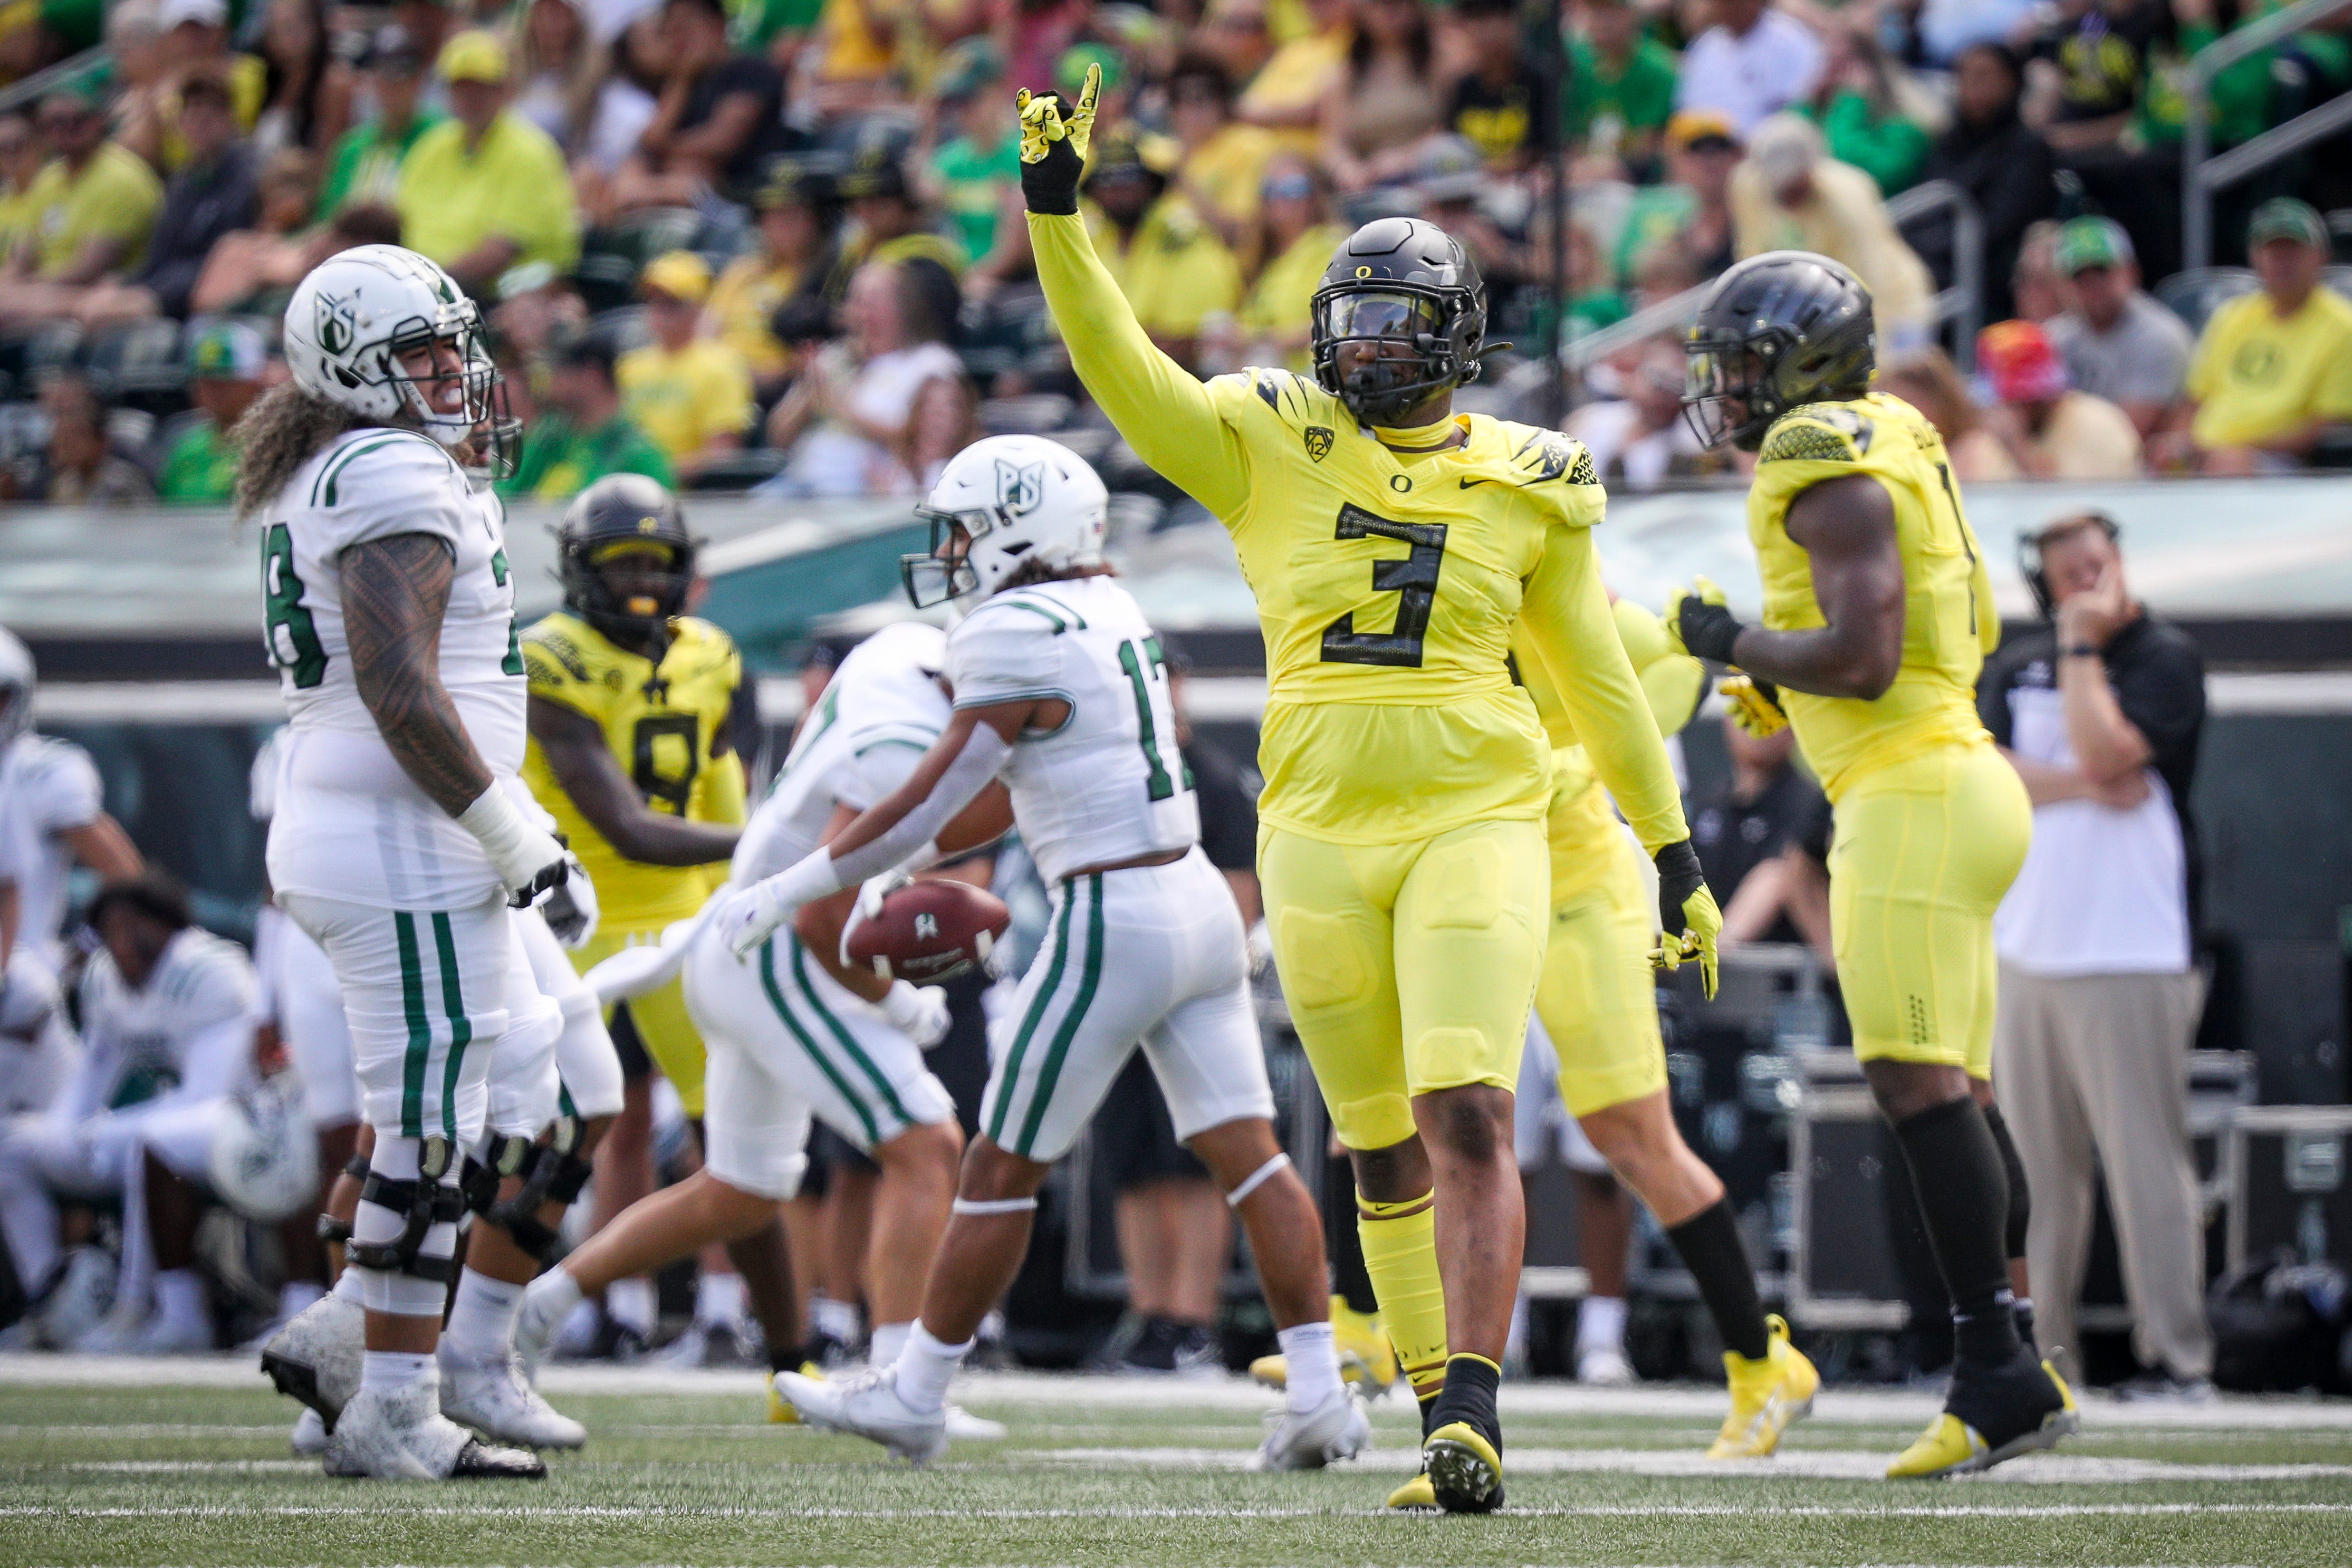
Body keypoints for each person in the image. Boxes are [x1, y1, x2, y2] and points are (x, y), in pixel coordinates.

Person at [1005, 76, 1716, 1512]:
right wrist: (1055, 214)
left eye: (1395, 320)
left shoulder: (1533, 477)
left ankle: (1472, 1411)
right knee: (1373, 1137)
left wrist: (1672, 852)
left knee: (1469, 1109)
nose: (1366, 344)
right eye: (1353, 318)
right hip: (1317, 828)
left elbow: (1598, 684)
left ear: (1451, 335)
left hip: (1476, 813)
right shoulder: (1269, 432)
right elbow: (1118, 363)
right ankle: (1422, 1399)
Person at [735, 434, 1364, 1475]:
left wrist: (794, 883)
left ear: (1021, 528)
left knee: (996, 1163)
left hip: (1109, 911)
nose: (951, 550)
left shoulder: (1013, 628)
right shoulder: (1109, 603)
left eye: (967, 528)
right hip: (1195, 899)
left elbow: (933, 792)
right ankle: (1317, 1394)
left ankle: (917, 1390)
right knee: (1250, 1156)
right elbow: (986, 798)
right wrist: (898, 868)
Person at [1674, 249, 2075, 1479]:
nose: (1730, 391)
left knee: (1916, 1085)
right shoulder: (1898, 426)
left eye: (1746, 366)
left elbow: (1859, 657)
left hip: (1910, 793)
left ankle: (1993, 1370)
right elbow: (1955, 624)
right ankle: (2019, 1351)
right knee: (1960, 1088)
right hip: (1960, 774)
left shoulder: (1817, 455)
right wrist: (1770, 673)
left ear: (1802, 363)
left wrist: (1726, 638)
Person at [231, 241, 581, 1480]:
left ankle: (344, 1344)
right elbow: (396, 683)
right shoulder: (382, 469)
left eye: (453, 341)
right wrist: (516, 835)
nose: (456, 368)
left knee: (478, 1095)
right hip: (401, 832)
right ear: (350, 369)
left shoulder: (357, 460)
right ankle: (389, 1393)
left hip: (381, 825)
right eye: (421, 352)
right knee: (434, 1121)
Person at [521, 620, 1001, 1431]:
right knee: (927, 1143)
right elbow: (823, 919)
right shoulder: (904, 737)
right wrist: (897, 1003)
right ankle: (895, 1379)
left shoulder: (902, 650)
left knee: (742, 1192)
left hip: (737, 934)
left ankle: (538, 1304)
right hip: (772, 951)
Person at [1489, 599, 1820, 1459]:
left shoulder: (1602, 620)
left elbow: (1678, 667)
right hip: (1469, 892)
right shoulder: (1437, 578)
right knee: (1415, 1112)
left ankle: (1753, 1356)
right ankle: (1366, 1336)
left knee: (1629, 1141)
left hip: (1578, 889)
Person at [513, 476, 788, 1371]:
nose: (639, 580)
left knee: (736, 1137)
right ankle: (566, 1312)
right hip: (573, 922)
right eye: (620, 562)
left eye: (654, 561)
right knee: (568, 1128)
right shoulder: (547, 656)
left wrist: (745, 888)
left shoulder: (712, 652)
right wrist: (782, 851)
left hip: (684, 923)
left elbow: (721, 794)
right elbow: (628, 823)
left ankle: (763, 1335)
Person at [1982, 512, 2214, 1400]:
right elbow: (1997, 770)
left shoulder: (2161, 656)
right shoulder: (2010, 665)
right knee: (2035, 1176)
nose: (2084, 582)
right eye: (2066, 572)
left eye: (2096, 564)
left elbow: (2112, 745)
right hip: (2027, 944)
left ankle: (2176, 1355)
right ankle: (2042, 1358)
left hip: (2131, 946)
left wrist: (2081, 651)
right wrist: (2085, 787)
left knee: (2144, 1159)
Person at [0, 873, 256, 1354]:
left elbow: (207, 1094)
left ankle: (135, 1307)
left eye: (133, 926)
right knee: (9, 1146)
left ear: (167, 924)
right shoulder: (103, 977)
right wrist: (66, 1132)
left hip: (229, 1127)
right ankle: (53, 1298)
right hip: (134, 1133)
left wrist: (108, 1131)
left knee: (151, 1141)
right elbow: (92, 1072)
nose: (123, 943)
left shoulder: (212, 971)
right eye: (111, 930)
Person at [0, 628, 141, 1164]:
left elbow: (124, 875)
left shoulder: (38, 771)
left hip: (23, 985)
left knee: (60, 1140)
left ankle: (75, 1245)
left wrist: (81, 948)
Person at [2152, 198, 2352, 474]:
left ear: (2320, 256)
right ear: (2255, 257)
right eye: (2272, 251)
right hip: (2209, 454)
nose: (2282, 262)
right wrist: (2178, 443)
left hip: (2290, 464)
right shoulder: (2231, 315)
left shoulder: (2344, 326)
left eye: (2292, 250)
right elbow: (2193, 400)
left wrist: (2242, 448)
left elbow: (2328, 426)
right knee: (2152, 460)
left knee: (2231, 466)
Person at [761, 257, 973, 497]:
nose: (864, 313)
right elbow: (779, 438)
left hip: (862, 495)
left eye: (874, 302)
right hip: (799, 482)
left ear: (905, 307)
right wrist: (809, 388)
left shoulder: (930, 362)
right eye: (857, 302)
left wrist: (840, 406)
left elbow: (926, 437)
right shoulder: (836, 358)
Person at [394, 30, 580, 294]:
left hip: (499, 295)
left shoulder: (530, 152)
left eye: (481, 87)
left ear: (504, 90)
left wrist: (427, 286)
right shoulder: (431, 146)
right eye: (461, 87)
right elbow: (397, 220)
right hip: (424, 289)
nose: (471, 98)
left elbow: (499, 253)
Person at [1731, 114, 1935, 354]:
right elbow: (1752, 259)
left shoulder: (1848, 199)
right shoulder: (1745, 186)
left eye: (1793, 187)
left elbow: (1869, 281)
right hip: (1817, 316)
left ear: (1812, 170)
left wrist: (1873, 357)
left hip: (1895, 307)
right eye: (1778, 189)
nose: (1786, 199)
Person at [71, 69, 256, 328]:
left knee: (100, 315)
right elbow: (159, 255)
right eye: (192, 114)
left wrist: (149, 294)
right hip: (163, 284)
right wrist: (125, 282)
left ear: (229, 119)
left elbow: (227, 251)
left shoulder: (247, 176)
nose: (200, 123)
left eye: (209, 115)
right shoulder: (181, 182)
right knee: (89, 304)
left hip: (202, 290)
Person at [1913, 43, 2052, 325]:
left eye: (1984, 76)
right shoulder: (1948, 143)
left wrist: (1931, 250)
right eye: (1963, 77)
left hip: (1989, 273)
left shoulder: (2028, 149)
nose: (1971, 86)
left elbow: (1998, 224)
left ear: (2012, 82)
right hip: (1935, 259)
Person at [1080, 126, 1240, 371]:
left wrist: (1101, 347)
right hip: (1102, 370)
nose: (1119, 191)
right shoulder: (1091, 237)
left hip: (1173, 377)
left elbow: (1187, 341)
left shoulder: (1181, 235)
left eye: (1130, 178)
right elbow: (1063, 331)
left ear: (1151, 185)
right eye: (1107, 180)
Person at [0, 90, 162, 326]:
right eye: (52, 124)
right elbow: (24, 256)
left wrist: (29, 289)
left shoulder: (119, 178)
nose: (62, 130)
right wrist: (10, 285)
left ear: (97, 121)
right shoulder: (48, 179)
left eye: (74, 121)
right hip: (45, 291)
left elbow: (91, 267)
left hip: (100, 291)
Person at [608, 0, 789, 210]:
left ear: (717, 25)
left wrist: (663, 150)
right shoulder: (685, 81)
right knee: (631, 167)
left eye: (687, 27)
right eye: (672, 31)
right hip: (676, 184)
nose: (680, 40)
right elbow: (649, 140)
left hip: (742, 187)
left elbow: (721, 142)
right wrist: (681, 80)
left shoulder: (750, 69)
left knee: (689, 169)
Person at [2043, 217, 2191, 440]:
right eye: (2079, 277)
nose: (2092, 286)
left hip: (2140, 469)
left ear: (2131, 271)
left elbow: (2126, 433)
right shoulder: (2052, 338)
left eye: (2101, 273)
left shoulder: (2160, 336)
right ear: (2060, 285)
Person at [1691, 708, 1827, 949]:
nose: (1759, 725)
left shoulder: (1812, 804)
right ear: (1727, 719)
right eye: (1745, 711)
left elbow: (1781, 875)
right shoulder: (1706, 804)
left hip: (1784, 973)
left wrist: (1720, 945)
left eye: (1775, 712)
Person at [617, 251, 754, 484]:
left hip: (687, 495)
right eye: (654, 300)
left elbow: (722, 454)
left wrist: (654, 473)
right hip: (627, 484)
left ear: (698, 308)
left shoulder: (721, 366)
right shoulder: (628, 367)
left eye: (672, 302)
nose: (659, 311)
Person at [705, 162, 839, 398]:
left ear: (817, 218)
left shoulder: (827, 278)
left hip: (774, 391)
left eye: (795, 211)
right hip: (718, 382)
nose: (783, 222)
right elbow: (706, 332)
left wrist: (740, 378)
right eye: (773, 212)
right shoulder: (742, 270)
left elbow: (803, 362)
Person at [502, 331, 675, 500]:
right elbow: (504, 496)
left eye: (558, 371)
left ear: (592, 375)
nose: (548, 382)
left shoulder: (638, 455)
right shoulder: (552, 439)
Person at [1976, 319, 2142, 479]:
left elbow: (2073, 504)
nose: (2004, 408)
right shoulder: (1995, 435)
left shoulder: (2098, 424)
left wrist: (2019, 449)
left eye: (2015, 401)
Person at [1231, 155, 1345, 371]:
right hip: (1264, 372)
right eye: (1271, 190)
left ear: (1314, 195)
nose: (1282, 199)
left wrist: (1266, 343)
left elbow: (1339, 321)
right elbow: (1251, 324)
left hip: (1313, 374)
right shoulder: (1263, 258)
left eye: (1294, 188)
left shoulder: (1331, 246)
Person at [316, 26, 442, 217]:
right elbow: (330, 218)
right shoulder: (353, 147)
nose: (392, 87)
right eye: (384, 76)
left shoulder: (439, 138)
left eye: (403, 76)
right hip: (354, 244)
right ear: (372, 80)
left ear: (419, 80)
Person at [1319, 0, 1442, 191]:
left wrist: (1404, 159)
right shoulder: (1346, 75)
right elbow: (1335, 145)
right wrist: (1348, 169)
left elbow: (1449, 125)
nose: (1390, 12)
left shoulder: (1440, 60)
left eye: (1398, 4)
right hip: (1371, 186)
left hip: (1434, 178)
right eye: (1379, 5)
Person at [1567, 338, 1706, 489]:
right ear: (1636, 374)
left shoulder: (1686, 444)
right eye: (1658, 382)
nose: (1663, 399)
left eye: (1676, 389)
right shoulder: (1592, 420)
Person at [156, 322, 271, 504]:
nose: (213, 391)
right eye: (204, 381)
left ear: (255, 383)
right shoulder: (186, 452)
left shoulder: (273, 447)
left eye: (226, 381)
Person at [1675, 0, 1826, 136]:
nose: (1730, 8)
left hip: (1766, 151)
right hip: (1706, 148)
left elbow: (1804, 108)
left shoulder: (1793, 42)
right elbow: (1686, 109)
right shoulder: (1706, 46)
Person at [5, 373, 156, 506]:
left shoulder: (121, 482)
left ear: (101, 441)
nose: (66, 446)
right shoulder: (62, 483)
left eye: (75, 438)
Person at [1566, 0, 1678, 173]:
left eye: (1612, 13)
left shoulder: (1659, 69)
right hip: (1585, 173)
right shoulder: (1576, 67)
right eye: (1595, 13)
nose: (1603, 23)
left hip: (1643, 178)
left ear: (1633, 15)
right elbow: (1571, 140)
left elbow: (1649, 145)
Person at [1877, 347, 2019, 483]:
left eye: (1908, 403)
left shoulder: (1974, 449)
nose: (1897, 414)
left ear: (1943, 403)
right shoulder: (1901, 453)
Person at [1446, 0, 1551, 174]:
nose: (1488, 29)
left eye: (1498, 17)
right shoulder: (1462, 88)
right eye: (1478, 19)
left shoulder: (1539, 81)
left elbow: (1544, 150)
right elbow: (1451, 148)